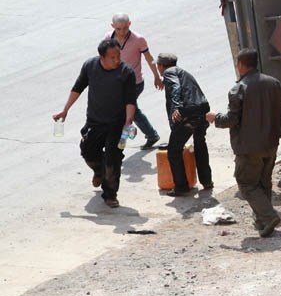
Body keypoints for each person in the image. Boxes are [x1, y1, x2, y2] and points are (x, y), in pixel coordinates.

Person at [207, 49, 281, 238]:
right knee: (263, 182)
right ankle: (262, 221)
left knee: (246, 183)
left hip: (248, 148)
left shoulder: (238, 89)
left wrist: (214, 118)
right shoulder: (274, 83)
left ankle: (268, 217)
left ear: (241, 65)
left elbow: (231, 120)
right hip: (270, 145)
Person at [52, 38, 138, 208]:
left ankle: (110, 194)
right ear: (102, 57)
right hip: (95, 121)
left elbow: (130, 100)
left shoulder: (126, 72)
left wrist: (128, 120)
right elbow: (78, 87)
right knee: (87, 151)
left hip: (118, 124)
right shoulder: (90, 66)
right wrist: (65, 109)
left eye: (118, 56)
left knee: (113, 160)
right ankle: (99, 171)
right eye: (112, 57)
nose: (117, 60)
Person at [157, 52, 214, 197]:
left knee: (174, 150)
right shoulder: (184, 73)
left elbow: (176, 88)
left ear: (161, 66)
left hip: (187, 114)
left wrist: (177, 107)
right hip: (202, 110)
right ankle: (207, 181)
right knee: (200, 143)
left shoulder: (169, 73)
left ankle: (181, 186)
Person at [105, 13, 163, 150]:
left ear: (129, 24)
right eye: (118, 29)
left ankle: (122, 141)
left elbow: (149, 59)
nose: (122, 32)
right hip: (117, 83)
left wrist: (157, 76)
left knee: (126, 111)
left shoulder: (138, 39)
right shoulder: (108, 38)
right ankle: (148, 135)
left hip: (134, 83)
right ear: (113, 26)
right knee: (132, 111)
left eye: (124, 28)